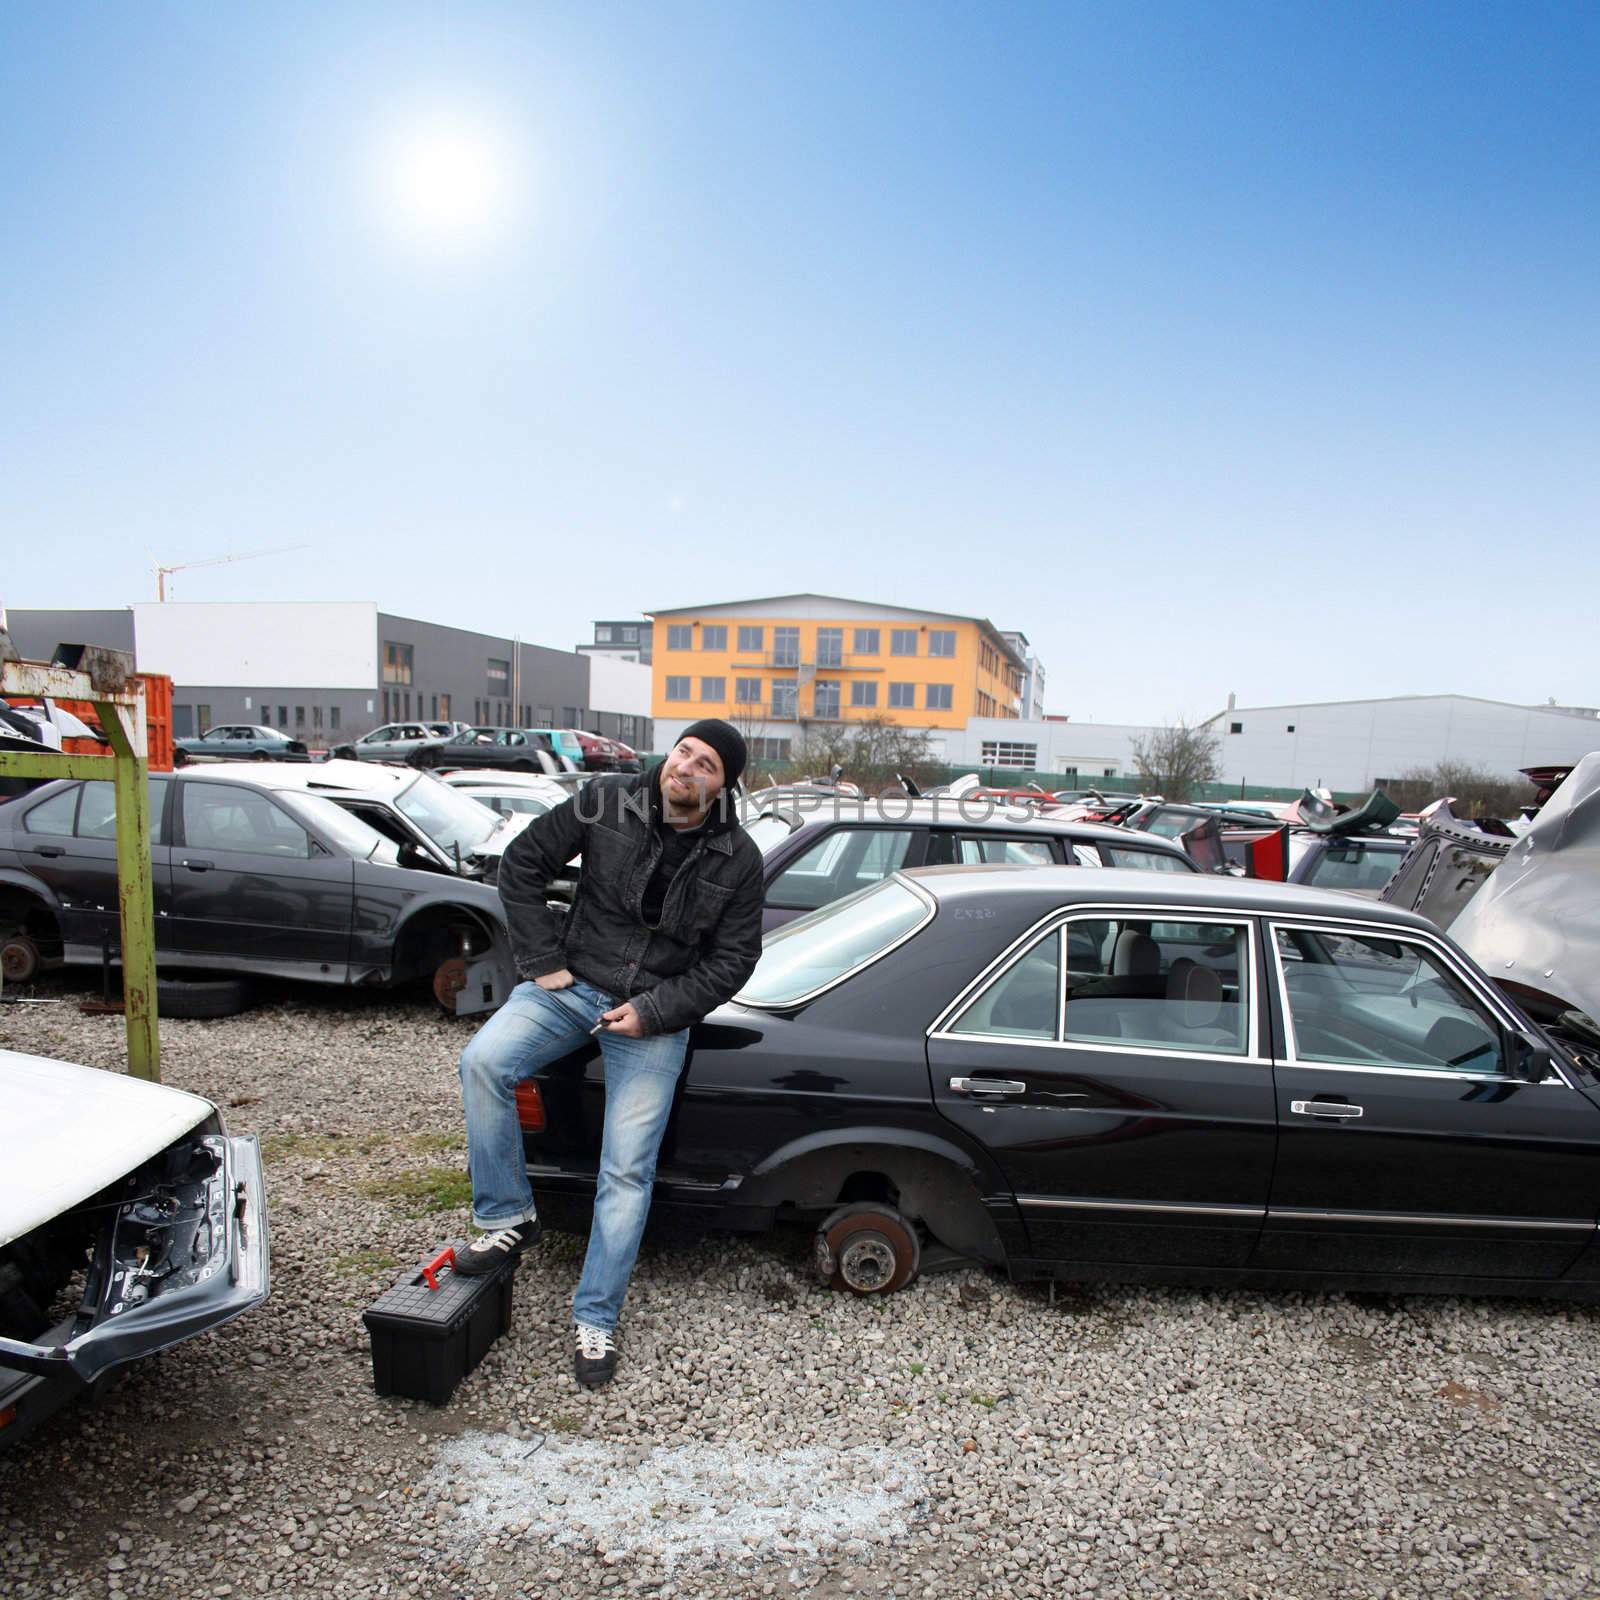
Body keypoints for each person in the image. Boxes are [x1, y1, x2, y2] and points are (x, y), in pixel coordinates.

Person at [454, 719, 765, 1387]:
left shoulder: (738, 858)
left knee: (627, 1169)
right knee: (483, 1063)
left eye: (705, 764)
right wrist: (540, 960)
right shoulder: (606, 799)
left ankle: (596, 1318)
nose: (685, 768)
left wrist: (655, 1011)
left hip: (652, 1017)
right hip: (569, 985)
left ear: (721, 785)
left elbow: (735, 959)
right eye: (684, 751)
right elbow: (522, 864)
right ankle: (507, 1216)